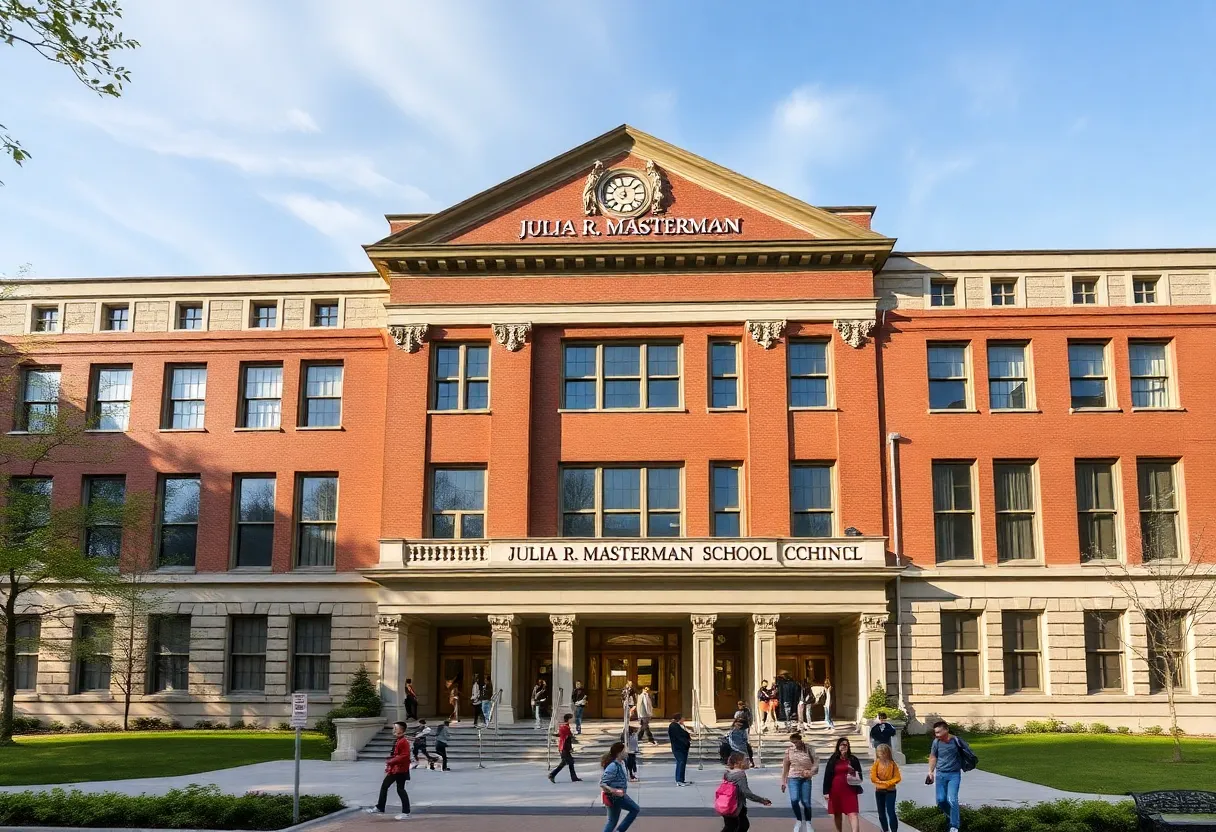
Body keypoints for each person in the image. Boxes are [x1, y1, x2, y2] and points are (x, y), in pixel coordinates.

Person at [927, 720, 973, 832]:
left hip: (954, 775)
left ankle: (954, 826)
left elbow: (967, 752)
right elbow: (933, 757)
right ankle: (951, 815)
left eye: (939, 732)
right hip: (940, 774)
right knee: (941, 800)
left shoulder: (956, 741)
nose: (937, 735)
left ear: (946, 730)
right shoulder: (936, 742)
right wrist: (930, 772)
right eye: (935, 733)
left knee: (952, 799)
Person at [364, 721, 411, 820]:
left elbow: (405, 755)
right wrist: (392, 760)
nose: (393, 730)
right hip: (398, 768)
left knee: (391, 787)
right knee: (398, 789)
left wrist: (392, 761)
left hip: (400, 769)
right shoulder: (399, 740)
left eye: (395, 728)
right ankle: (384, 808)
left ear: (401, 730)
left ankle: (384, 808)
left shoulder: (403, 741)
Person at [721, 751, 772, 832]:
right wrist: (762, 800)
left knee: (733, 826)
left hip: (726, 803)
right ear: (738, 763)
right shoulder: (740, 775)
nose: (748, 762)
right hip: (737, 806)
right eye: (745, 760)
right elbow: (746, 792)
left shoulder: (727, 773)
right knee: (740, 826)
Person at [821, 736, 863, 832]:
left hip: (850, 789)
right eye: (842, 744)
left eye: (846, 745)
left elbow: (859, 775)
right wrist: (826, 792)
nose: (844, 747)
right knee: (837, 813)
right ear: (838, 746)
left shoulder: (853, 759)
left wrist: (851, 769)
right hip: (835, 789)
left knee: (853, 813)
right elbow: (827, 776)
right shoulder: (833, 759)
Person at [780, 732, 819, 832]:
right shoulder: (789, 751)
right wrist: (783, 781)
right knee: (794, 799)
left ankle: (808, 823)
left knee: (806, 802)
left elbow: (816, 762)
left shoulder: (809, 749)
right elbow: (785, 767)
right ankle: (798, 820)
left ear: (801, 740)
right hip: (793, 777)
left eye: (796, 742)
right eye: (793, 742)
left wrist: (811, 772)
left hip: (806, 778)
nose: (795, 744)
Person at [600, 741, 640, 832]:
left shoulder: (622, 763)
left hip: (616, 796)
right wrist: (615, 791)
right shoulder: (613, 766)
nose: (626, 752)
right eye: (625, 750)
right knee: (635, 809)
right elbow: (603, 783)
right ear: (619, 753)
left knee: (612, 821)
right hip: (615, 796)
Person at [870, 742, 902, 832]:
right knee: (881, 813)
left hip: (890, 791)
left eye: (883, 753)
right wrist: (880, 782)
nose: (881, 755)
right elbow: (873, 776)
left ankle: (894, 830)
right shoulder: (876, 763)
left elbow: (897, 777)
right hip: (879, 791)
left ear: (887, 753)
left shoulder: (892, 764)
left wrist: (887, 783)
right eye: (879, 753)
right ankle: (885, 830)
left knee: (891, 812)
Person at [548, 713, 582, 782]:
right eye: (571, 719)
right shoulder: (565, 727)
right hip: (564, 748)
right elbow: (568, 737)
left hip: (563, 747)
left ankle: (573, 777)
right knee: (569, 762)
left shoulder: (563, 726)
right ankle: (552, 775)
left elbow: (561, 735)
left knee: (567, 762)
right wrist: (572, 736)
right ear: (568, 719)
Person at [668, 712, 692, 786]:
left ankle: (681, 779)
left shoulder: (679, 726)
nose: (684, 719)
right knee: (680, 762)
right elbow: (680, 736)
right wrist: (686, 742)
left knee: (682, 763)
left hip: (682, 748)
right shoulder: (674, 726)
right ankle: (679, 780)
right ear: (679, 718)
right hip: (678, 748)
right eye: (683, 718)